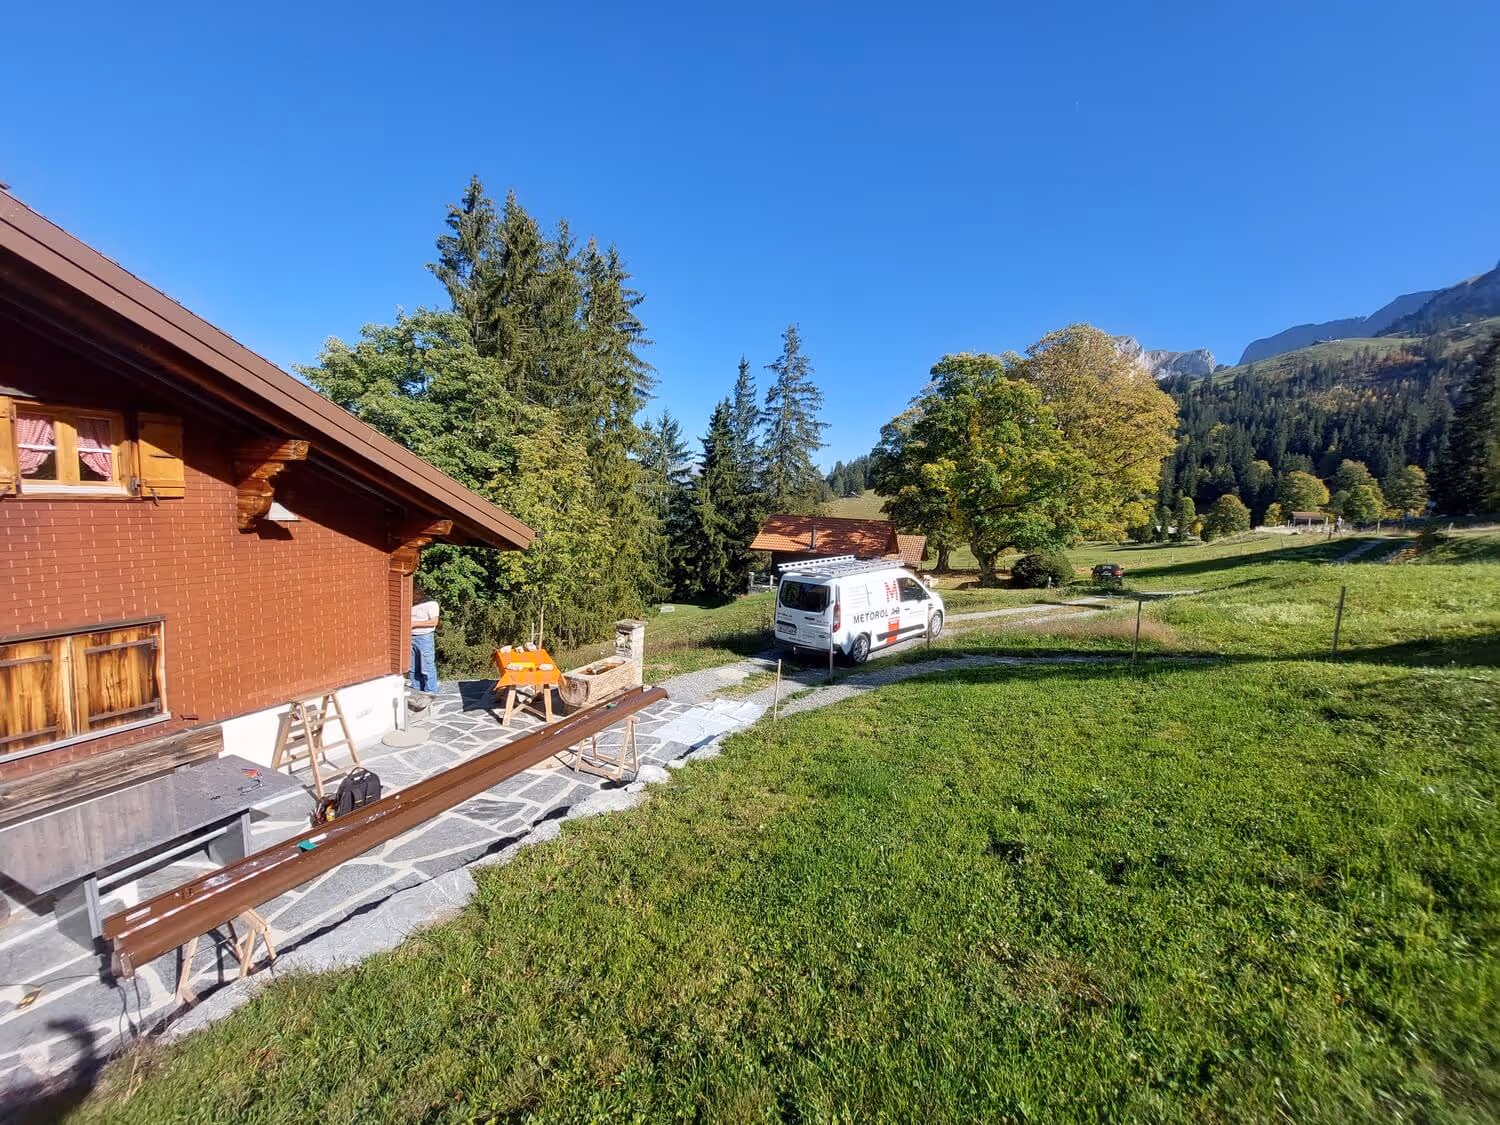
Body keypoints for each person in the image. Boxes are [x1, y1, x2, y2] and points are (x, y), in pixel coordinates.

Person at [409, 584, 440, 694]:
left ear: (420, 593)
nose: (413, 596)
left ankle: (430, 692)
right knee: (412, 668)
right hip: (410, 637)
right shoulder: (409, 603)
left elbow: (434, 622)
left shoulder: (431, 604)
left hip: (424, 638)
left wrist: (414, 624)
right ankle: (416, 690)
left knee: (427, 666)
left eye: (414, 594)